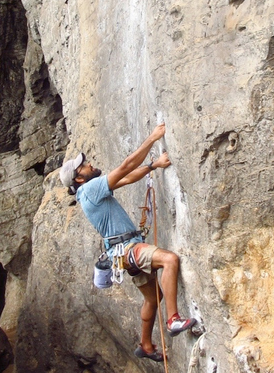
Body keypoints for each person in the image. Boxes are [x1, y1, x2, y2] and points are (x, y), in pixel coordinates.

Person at [59, 123, 196, 362]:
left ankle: (145, 345)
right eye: (84, 165)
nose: (90, 164)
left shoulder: (89, 192)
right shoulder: (90, 189)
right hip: (128, 249)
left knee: (153, 299)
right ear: (79, 177)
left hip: (121, 255)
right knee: (169, 260)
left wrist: (153, 165)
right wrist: (152, 138)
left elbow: (126, 178)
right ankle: (173, 320)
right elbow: (125, 166)